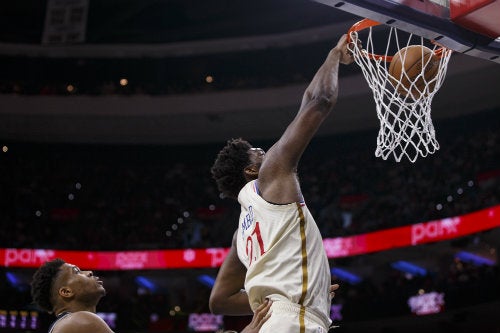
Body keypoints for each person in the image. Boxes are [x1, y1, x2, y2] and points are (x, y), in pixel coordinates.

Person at [209, 34, 354, 333]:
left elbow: (219, 300)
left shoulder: (241, 232)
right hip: (291, 321)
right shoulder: (270, 178)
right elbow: (319, 100)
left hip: (280, 321)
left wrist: (281, 293)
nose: (268, 152)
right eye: (259, 153)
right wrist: (334, 56)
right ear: (251, 170)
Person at [31, 258, 271, 333]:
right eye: (77, 272)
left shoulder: (67, 324)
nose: (88, 271)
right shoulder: (80, 321)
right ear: (66, 292)